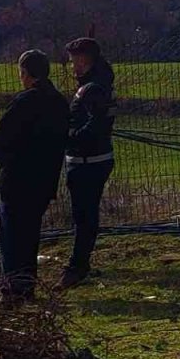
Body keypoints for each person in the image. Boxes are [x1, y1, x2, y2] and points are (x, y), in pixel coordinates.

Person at [0, 50, 69, 304]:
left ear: (25, 74)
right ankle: (27, 287)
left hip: (16, 181)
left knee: (11, 238)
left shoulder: (24, 101)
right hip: (44, 182)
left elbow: (0, 139)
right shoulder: (59, 103)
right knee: (30, 236)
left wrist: (0, 156)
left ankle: (11, 291)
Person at [59, 37, 117, 290]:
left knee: (83, 216)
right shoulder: (97, 85)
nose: (71, 67)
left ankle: (77, 266)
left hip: (88, 161)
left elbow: (96, 125)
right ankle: (80, 262)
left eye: (73, 61)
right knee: (85, 215)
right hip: (91, 159)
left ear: (84, 60)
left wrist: (69, 138)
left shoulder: (93, 90)